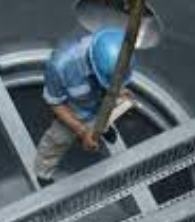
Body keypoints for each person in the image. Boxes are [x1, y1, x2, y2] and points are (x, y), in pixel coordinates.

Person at [33, 27, 135, 187]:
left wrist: (120, 92)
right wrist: (82, 131)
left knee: (117, 109)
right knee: (57, 141)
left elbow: (116, 81)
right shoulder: (60, 66)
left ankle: (102, 128)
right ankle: (42, 172)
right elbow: (56, 103)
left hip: (100, 104)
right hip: (74, 110)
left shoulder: (113, 47)